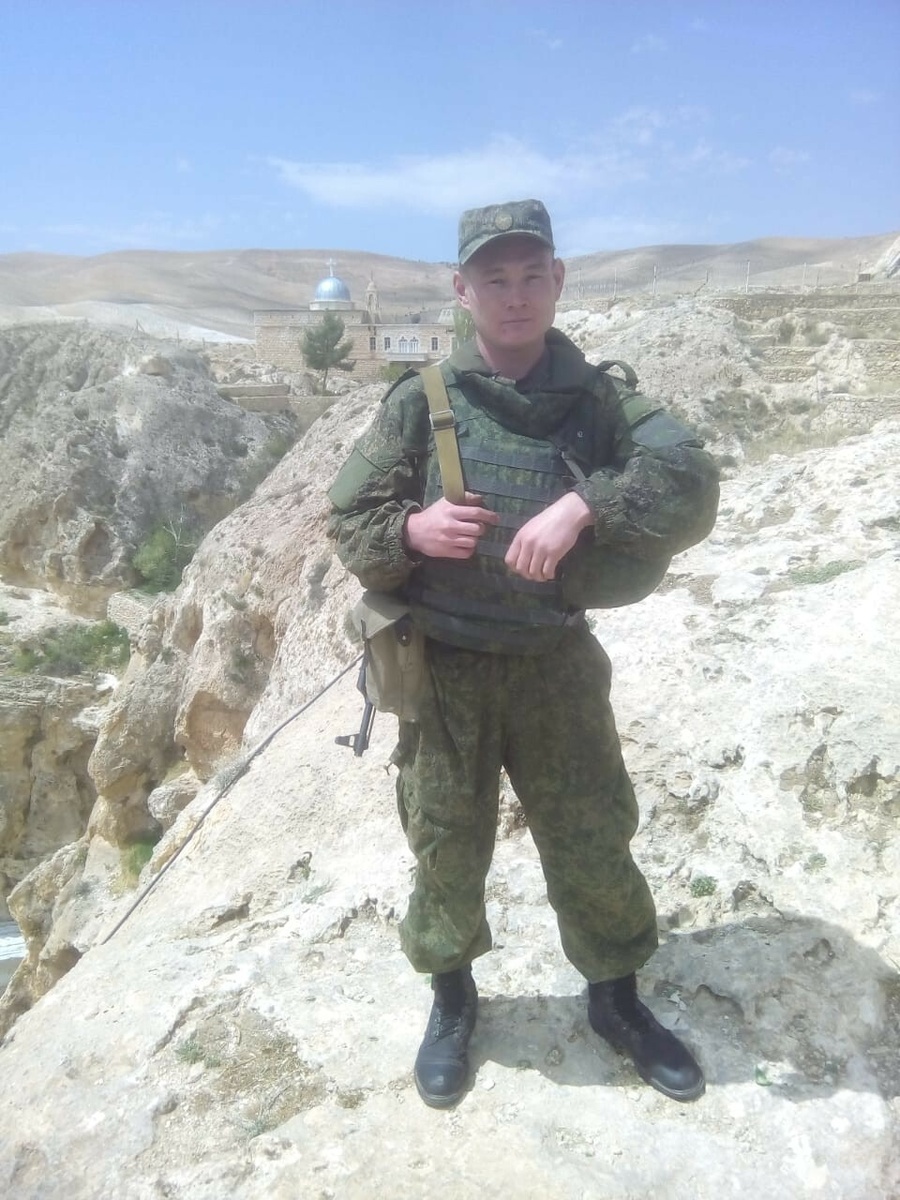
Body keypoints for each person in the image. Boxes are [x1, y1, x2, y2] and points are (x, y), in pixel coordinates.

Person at [327, 199, 719, 1109]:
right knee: (445, 840)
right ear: (462, 290)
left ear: (558, 281)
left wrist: (586, 505)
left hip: (555, 664)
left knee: (592, 834)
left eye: (531, 276)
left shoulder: (600, 401)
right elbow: (349, 522)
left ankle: (616, 999)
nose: (515, 296)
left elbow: (694, 481)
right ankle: (452, 1000)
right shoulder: (422, 402)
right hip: (446, 670)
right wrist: (413, 530)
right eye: (494, 279)